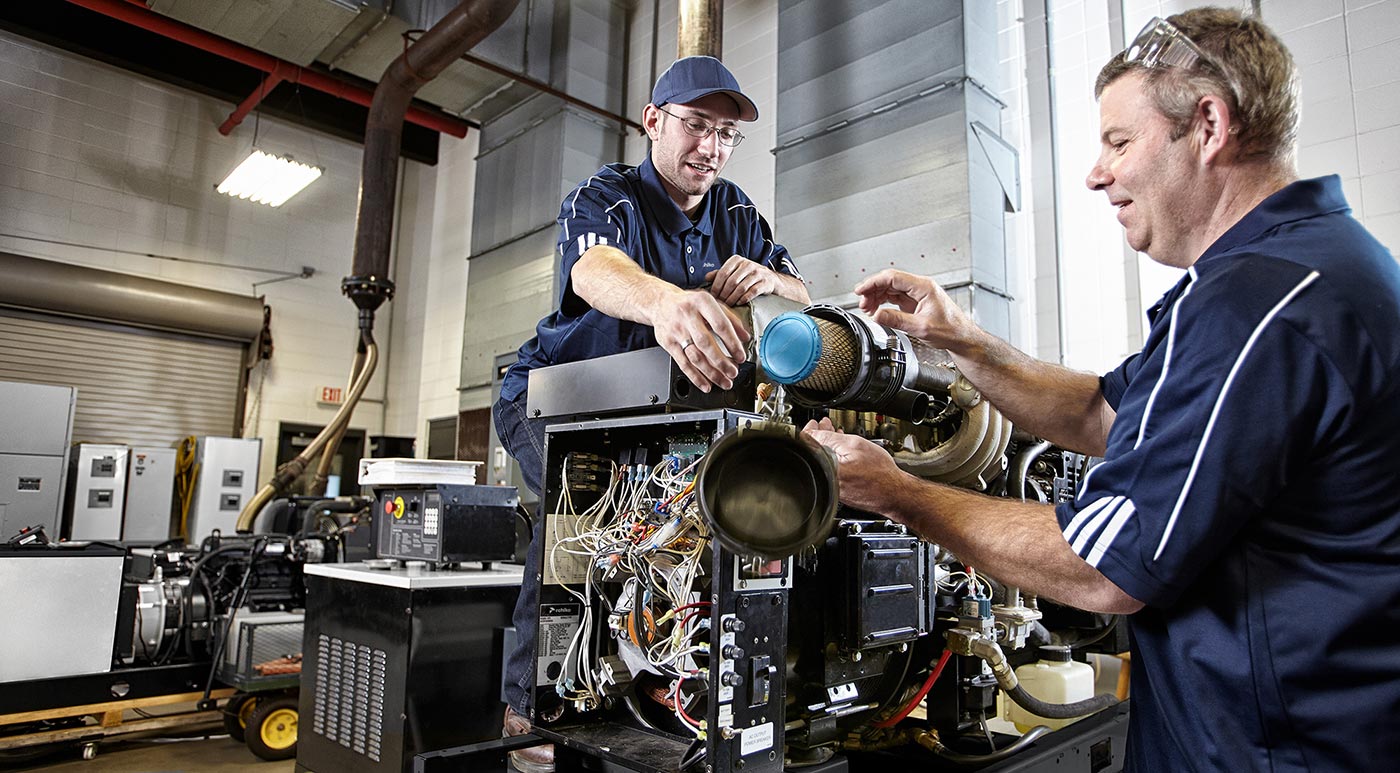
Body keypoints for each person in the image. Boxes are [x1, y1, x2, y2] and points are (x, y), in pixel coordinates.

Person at [804, 8, 1400, 771]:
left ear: (1210, 125)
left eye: (1120, 141)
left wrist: (896, 492)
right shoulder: (1306, 268)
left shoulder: (1259, 302)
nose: (1096, 171)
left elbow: (1104, 566)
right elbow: (1101, 411)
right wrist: (962, 339)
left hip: (1276, 750)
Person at [493, 55, 810, 772]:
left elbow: (802, 292)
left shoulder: (735, 212)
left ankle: (662, 680)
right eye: (697, 126)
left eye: (727, 135)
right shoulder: (607, 195)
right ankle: (531, 702)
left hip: (652, 414)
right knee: (582, 517)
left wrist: (772, 280)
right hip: (555, 397)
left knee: (672, 531)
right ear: (654, 121)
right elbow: (593, 269)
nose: (711, 148)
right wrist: (665, 301)